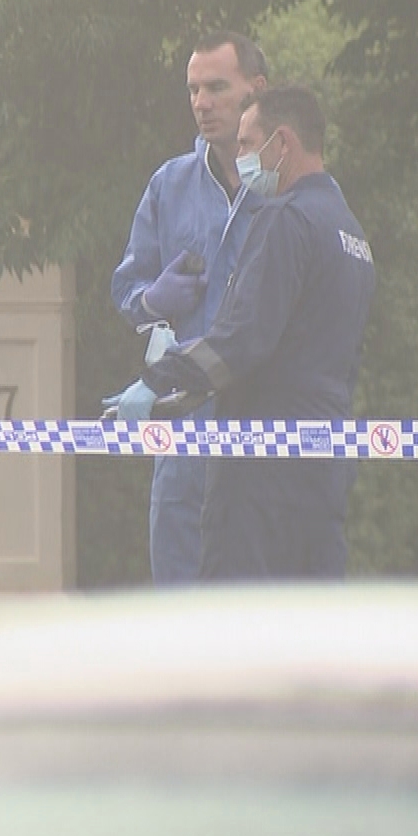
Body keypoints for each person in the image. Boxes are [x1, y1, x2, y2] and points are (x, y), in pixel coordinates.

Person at [109, 86, 375, 580]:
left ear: (283, 144)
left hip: (261, 472)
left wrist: (160, 379)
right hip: (322, 465)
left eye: (249, 145)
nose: (242, 157)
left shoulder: (283, 219)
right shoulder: (349, 230)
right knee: (310, 632)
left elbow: (242, 340)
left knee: (238, 635)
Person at [110, 31, 269, 584]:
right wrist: (152, 299)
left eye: (217, 87)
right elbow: (128, 291)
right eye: (193, 89)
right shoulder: (170, 184)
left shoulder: (282, 189)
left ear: (257, 91)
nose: (202, 103)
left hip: (262, 432)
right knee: (181, 615)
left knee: (256, 623)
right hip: (183, 436)